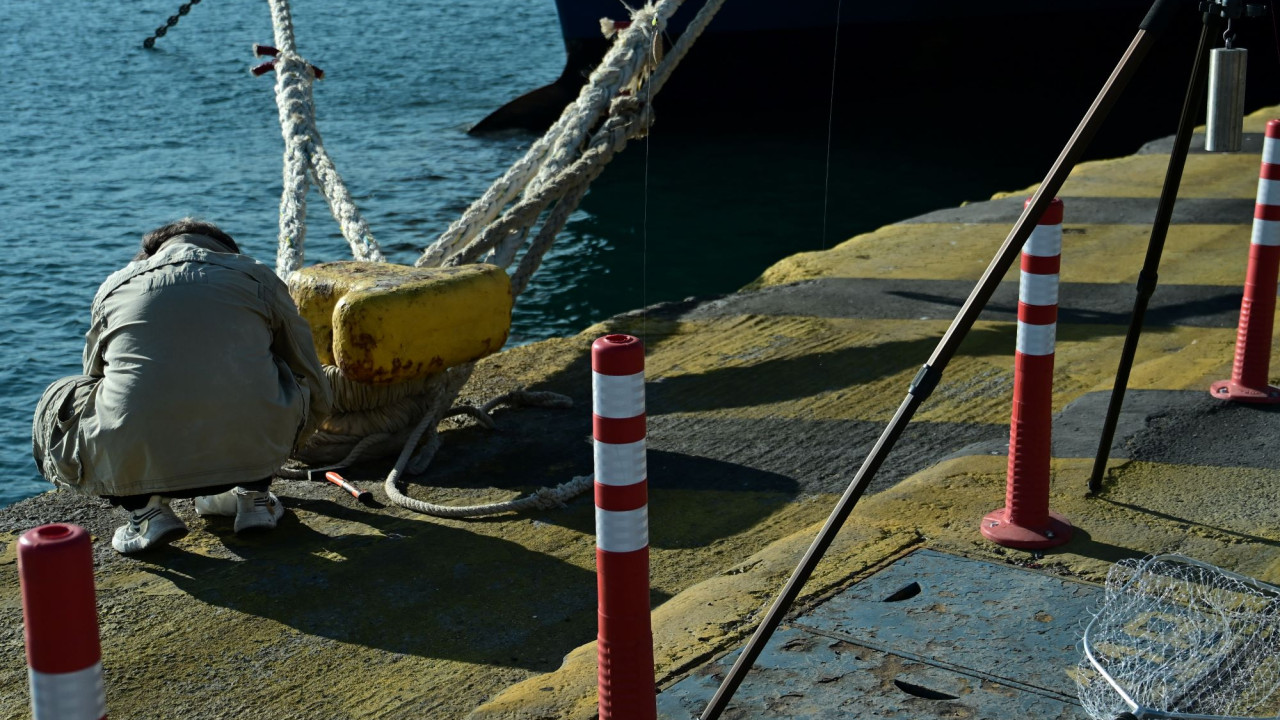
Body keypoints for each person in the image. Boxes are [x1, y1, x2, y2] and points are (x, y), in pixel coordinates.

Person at [32, 219, 332, 554]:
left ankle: (146, 512)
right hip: (256, 451)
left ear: (149, 254)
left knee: (64, 395)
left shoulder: (115, 286)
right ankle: (255, 499)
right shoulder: (257, 275)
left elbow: (97, 377)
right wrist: (284, 447)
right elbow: (310, 374)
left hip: (140, 453)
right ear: (226, 250)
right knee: (278, 371)